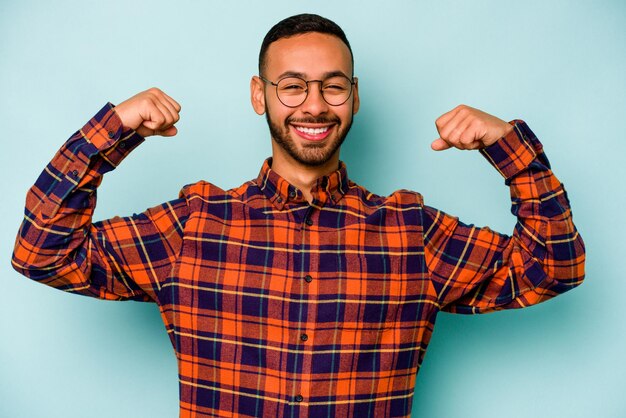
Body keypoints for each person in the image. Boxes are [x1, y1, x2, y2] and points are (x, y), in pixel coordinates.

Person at [12, 13, 585, 418]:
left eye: (333, 87)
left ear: (355, 97)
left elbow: (553, 269)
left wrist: (510, 148)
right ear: (260, 95)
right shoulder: (194, 225)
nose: (314, 104)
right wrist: (111, 132)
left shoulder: (412, 234)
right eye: (293, 87)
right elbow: (42, 252)